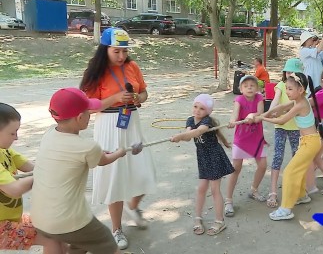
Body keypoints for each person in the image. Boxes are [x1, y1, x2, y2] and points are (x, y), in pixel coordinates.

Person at [31, 88, 140, 254]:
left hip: (40, 219)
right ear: (80, 117)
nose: (91, 115)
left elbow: (79, 155)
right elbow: (103, 160)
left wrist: (98, 153)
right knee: (107, 244)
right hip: (70, 220)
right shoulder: (88, 147)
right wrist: (120, 152)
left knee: (80, 243)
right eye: (89, 112)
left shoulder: (48, 135)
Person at [79, 27, 156, 249]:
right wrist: (115, 98)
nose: (122, 56)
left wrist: (136, 97)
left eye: (124, 50)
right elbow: (90, 107)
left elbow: (144, 93)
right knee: (115, 178)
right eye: (116, 51)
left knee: (144, 169)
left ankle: (133, 206)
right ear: (105, 50)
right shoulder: (96, 72)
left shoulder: (132, 66)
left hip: (132, 121)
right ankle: (116, 229)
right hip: (109, 126)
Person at [0, 103, 66, 253]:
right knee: (51, 240)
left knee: (57, 229)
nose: (16, 137)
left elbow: (34, 167)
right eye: (12, 133)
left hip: (11, 220)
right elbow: (14, 189)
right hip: (1, 227)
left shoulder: (6, 151)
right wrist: (44, 174)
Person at [257, 72, 322, 221]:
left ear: (301, 90)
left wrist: (261, 118)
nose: (287, 92)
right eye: (286, 88)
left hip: (310, 143)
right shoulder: (297, 101)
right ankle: (301, 196)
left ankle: (286, 209)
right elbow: (279, 108)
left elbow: (282, 120)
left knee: (289, 172)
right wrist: (264, 114)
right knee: (298, 170)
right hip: (308, 141)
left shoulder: (300, 104)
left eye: (290, 89)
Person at [170, 94, 234, 236]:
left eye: (202, 108)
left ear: (208, 111)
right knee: (201, 189)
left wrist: (180, 136)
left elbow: (198, 132)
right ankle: (198, 218)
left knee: (214, 189)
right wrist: (181, 137)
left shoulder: (207, 121)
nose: (197, 110)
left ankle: (219, 221)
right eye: (195, 106)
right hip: (203, 158)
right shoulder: (190, 120)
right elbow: (189, 135)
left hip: (214, 156)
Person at [225, 75, 267, 217]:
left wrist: (251, 114)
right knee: (236, 169)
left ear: (257, 88)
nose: (249, 87)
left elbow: (260, 113)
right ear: (240, 89)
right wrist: (232, 121)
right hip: (241, 139)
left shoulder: (259, 97)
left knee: (262, 166)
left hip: (257, 138)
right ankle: (228, 200)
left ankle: (253, 190)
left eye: (252, 85)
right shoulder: (239, 100)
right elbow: (235, 115)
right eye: (246, 85)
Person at [266, 58, 302, 208]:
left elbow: (298, 106)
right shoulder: (281, 85)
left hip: (295, 127)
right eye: (287, 71)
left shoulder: (302, 89)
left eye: (293, 72)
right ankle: (273, 192)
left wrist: (280, 110)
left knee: (296, 158)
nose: (289, 74)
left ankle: (296, 190)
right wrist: (270, 112)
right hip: (280, 126)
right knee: (278, 157)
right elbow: (275, 100)